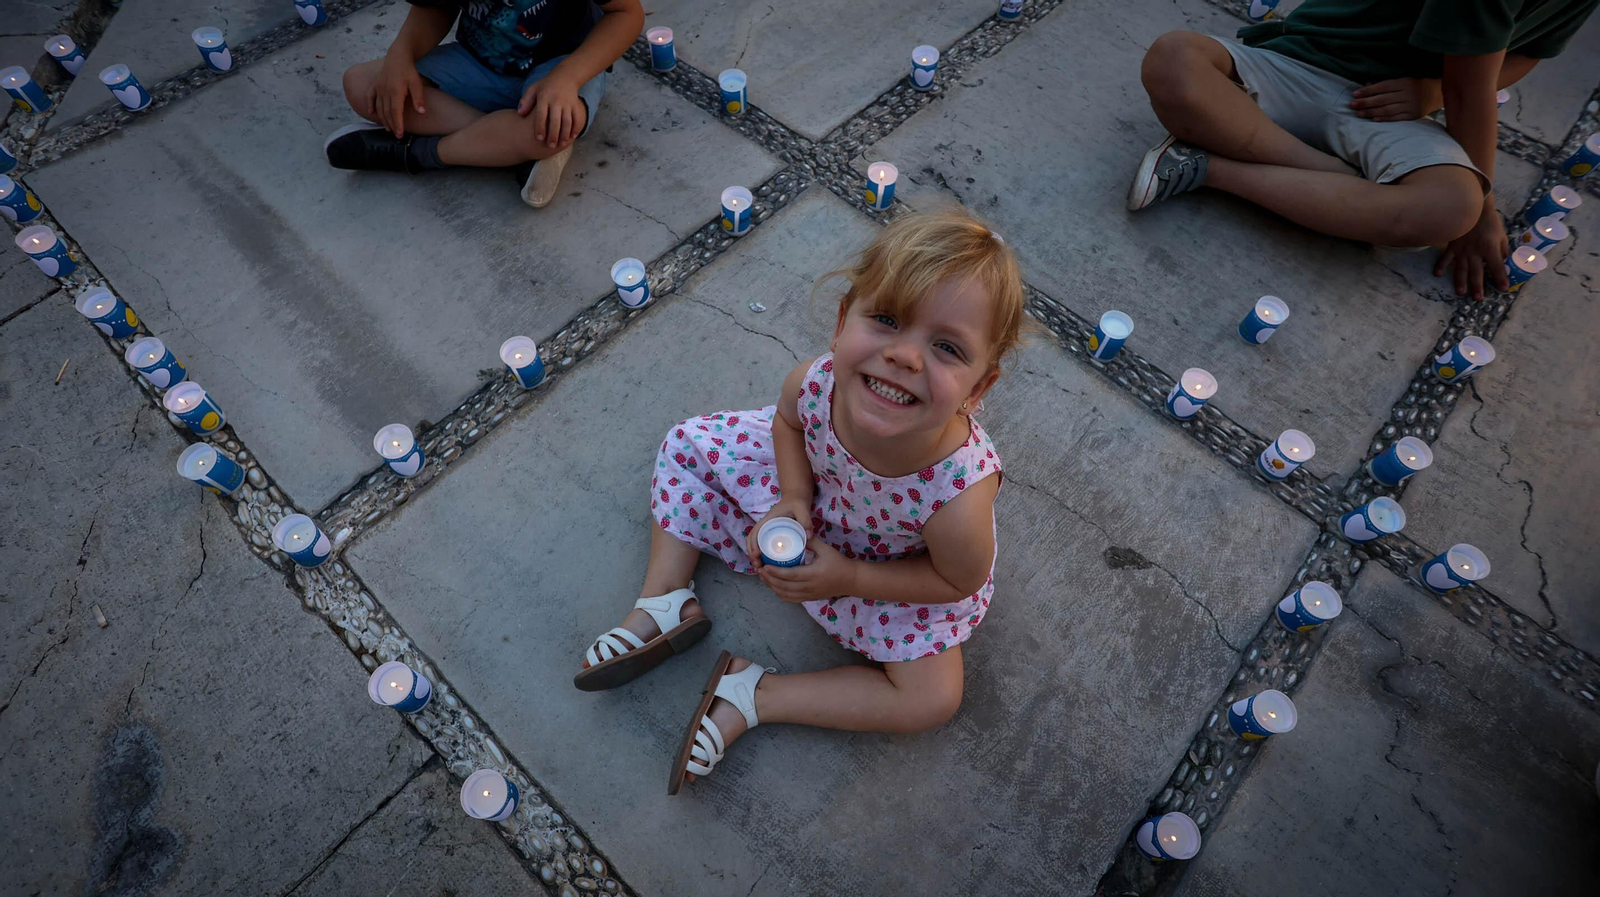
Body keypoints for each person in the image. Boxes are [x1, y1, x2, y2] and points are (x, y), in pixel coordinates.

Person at [571, 210, 1027, 794]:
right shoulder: (815, 383)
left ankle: (753, 694)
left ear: (978, 388)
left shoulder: (957, 492)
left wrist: (851, 577)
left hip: (891, 565)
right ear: (842, 321)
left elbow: (956, 580)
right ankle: (664, 600)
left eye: (946, 348)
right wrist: (792, 497)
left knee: (933, 699)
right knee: (689, 446)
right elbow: (787, 426)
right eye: (886, 320)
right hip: (811, 496)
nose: (906, 357)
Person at [1128, 0, 1598, 299]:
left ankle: (1206, 167)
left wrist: (1426, 95)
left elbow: (1529, 52)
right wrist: (1488, 208)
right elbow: (1467, 88)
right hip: (1294, 64)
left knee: (1451, 206)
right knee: (1175, 59)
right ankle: (1333, 180)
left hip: (1392, 114)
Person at [326, 0, 643, 208]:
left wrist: (568, 77)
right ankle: (509, 146)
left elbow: (627, 14)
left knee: (546, 127)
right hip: (478, 65)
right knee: (362, 85)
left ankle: (418, 154)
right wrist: (401, 54)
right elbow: (436, 8)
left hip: (559, 70)